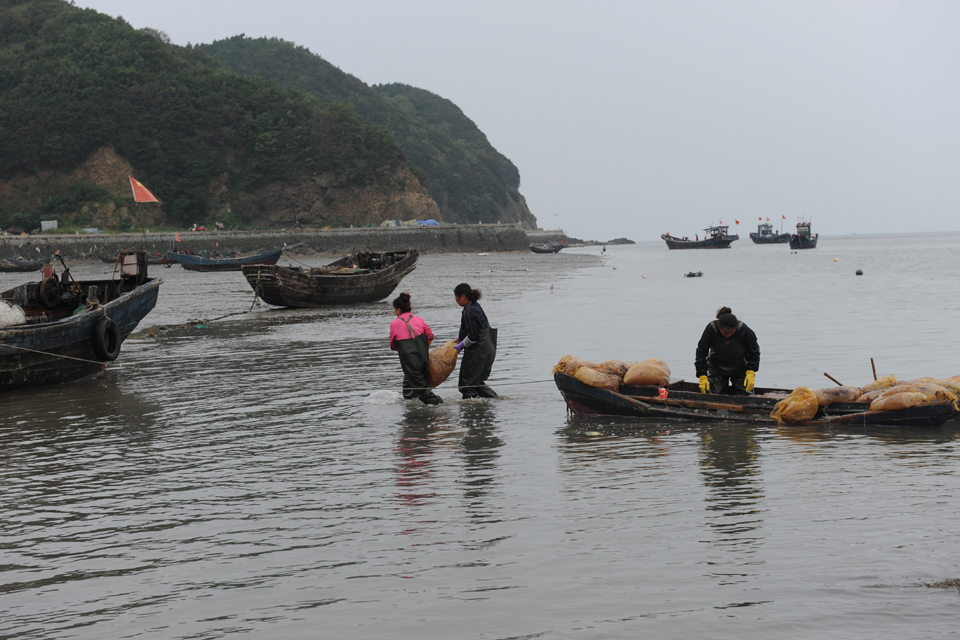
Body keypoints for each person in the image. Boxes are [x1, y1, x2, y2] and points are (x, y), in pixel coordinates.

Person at [389, 292, 442, 405]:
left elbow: (393, 345)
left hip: (410, 363)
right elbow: (430, 336)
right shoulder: (419, 319)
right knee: (408, 387)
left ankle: (440, 405)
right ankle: (412, 412)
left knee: (422, 391)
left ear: (398, 309)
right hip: (423, 359)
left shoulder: (395, 323)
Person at [695, 306, 760, 395]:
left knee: (745, 395)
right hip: (717, 368)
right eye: (725, 333)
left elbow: (754, 352)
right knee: (715, 395)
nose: (728, 335)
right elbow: (701, 352)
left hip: (740, 368)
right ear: (719, 325)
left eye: (731, 333)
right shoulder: (711, 329)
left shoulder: (744, 330)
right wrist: (702, 374)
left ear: (736, 327)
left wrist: (751, 371)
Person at [452, 283, 497, 399]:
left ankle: (470, 413)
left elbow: (473, 336)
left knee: (466, 386)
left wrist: (461, 345)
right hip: (488, 350)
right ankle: (495, 400)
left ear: (462, 296)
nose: (456, 300)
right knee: (476, 383)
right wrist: (459, 337)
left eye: (456, 297)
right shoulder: (475, 306)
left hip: (478, 352)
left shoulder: (468, 311)